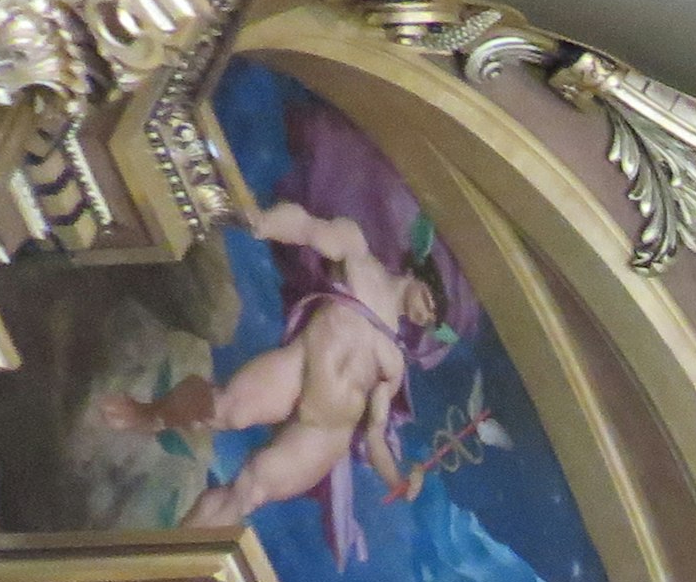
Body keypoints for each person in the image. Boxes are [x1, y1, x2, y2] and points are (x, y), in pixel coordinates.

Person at [97, 190, 453, 552]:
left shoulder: (393, 360)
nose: (424, 316)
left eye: (430, 319)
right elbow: (306, 228)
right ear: (414, 275)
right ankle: (154, 414)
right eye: (428, 302)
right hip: (297, 369)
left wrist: (399, 479)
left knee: (250, 488)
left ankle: (169, 559)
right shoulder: (358, 255)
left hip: (326, 433)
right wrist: (263, 223)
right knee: (222, 409)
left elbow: (375, 433)